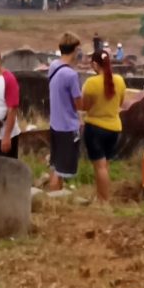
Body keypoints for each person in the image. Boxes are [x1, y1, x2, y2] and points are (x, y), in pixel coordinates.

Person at [79, 43, 126, 204]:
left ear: (94, 64)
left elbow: (84, 106)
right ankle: (101, 196)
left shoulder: (91, 83)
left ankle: (103, 200)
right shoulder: (119, 80)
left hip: (96, 129)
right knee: (105, 165)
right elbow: (120, 102)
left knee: (99, 167)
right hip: (114, 128)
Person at [43, 36, 83, 193]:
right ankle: (55, 199)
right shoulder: (71, 75)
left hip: (55, 123)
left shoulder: (54, 66)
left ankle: (55, 195)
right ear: (74, 50)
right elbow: (78, 104)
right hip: (67, 126)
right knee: (61, 171)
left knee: (55, 164)